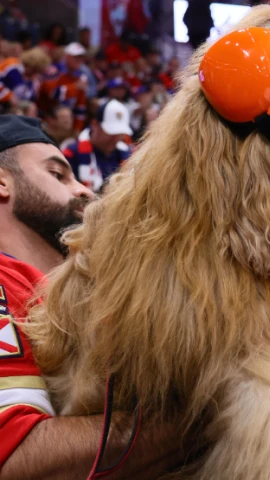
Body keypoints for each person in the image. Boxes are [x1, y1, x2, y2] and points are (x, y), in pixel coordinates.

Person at [0, 116, 196, 479]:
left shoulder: (101, 285)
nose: (86, 190)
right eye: (58, 175)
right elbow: (16, 458)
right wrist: (207, 418)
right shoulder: (4, 279)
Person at [62, 99, 132, 193]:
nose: (115, 139)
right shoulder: (71, 154)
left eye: (120, 134)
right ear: (94, 124)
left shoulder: (129, 155)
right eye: (111, 133)